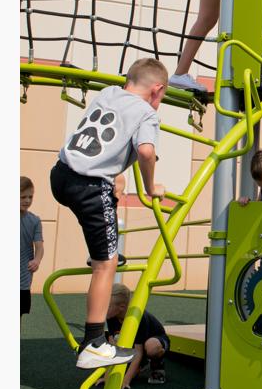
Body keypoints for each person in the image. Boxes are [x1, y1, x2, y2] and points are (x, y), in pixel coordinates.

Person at [51, 57, 175, 369]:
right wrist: (150, 186)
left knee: (113, 189)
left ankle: (100, 252)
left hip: (62, 174)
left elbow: (113, 140)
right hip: (91, 188)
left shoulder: (107, 93)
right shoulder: (147, 112)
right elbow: (146, 151)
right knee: (106, 266)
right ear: (157, 90)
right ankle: (93, 343)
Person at [106, 283, 171, 388]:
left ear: (122, 307)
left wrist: (126, 380)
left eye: (107, 306)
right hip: (136, 345)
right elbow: (112, 349)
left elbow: (138, 353)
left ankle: (157, 366)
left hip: (156, 341)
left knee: (152, 347)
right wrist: (106, 377)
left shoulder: (138, 318)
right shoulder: (111, 316)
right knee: (114, 341)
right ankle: (141, 364)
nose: (102, 308)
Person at [21, 176, 44, 316]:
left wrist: (37, 260)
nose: (27, 201)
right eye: (23, 197)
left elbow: (39, 246)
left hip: (22, 277)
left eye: (30, 197)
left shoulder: (34, 220)